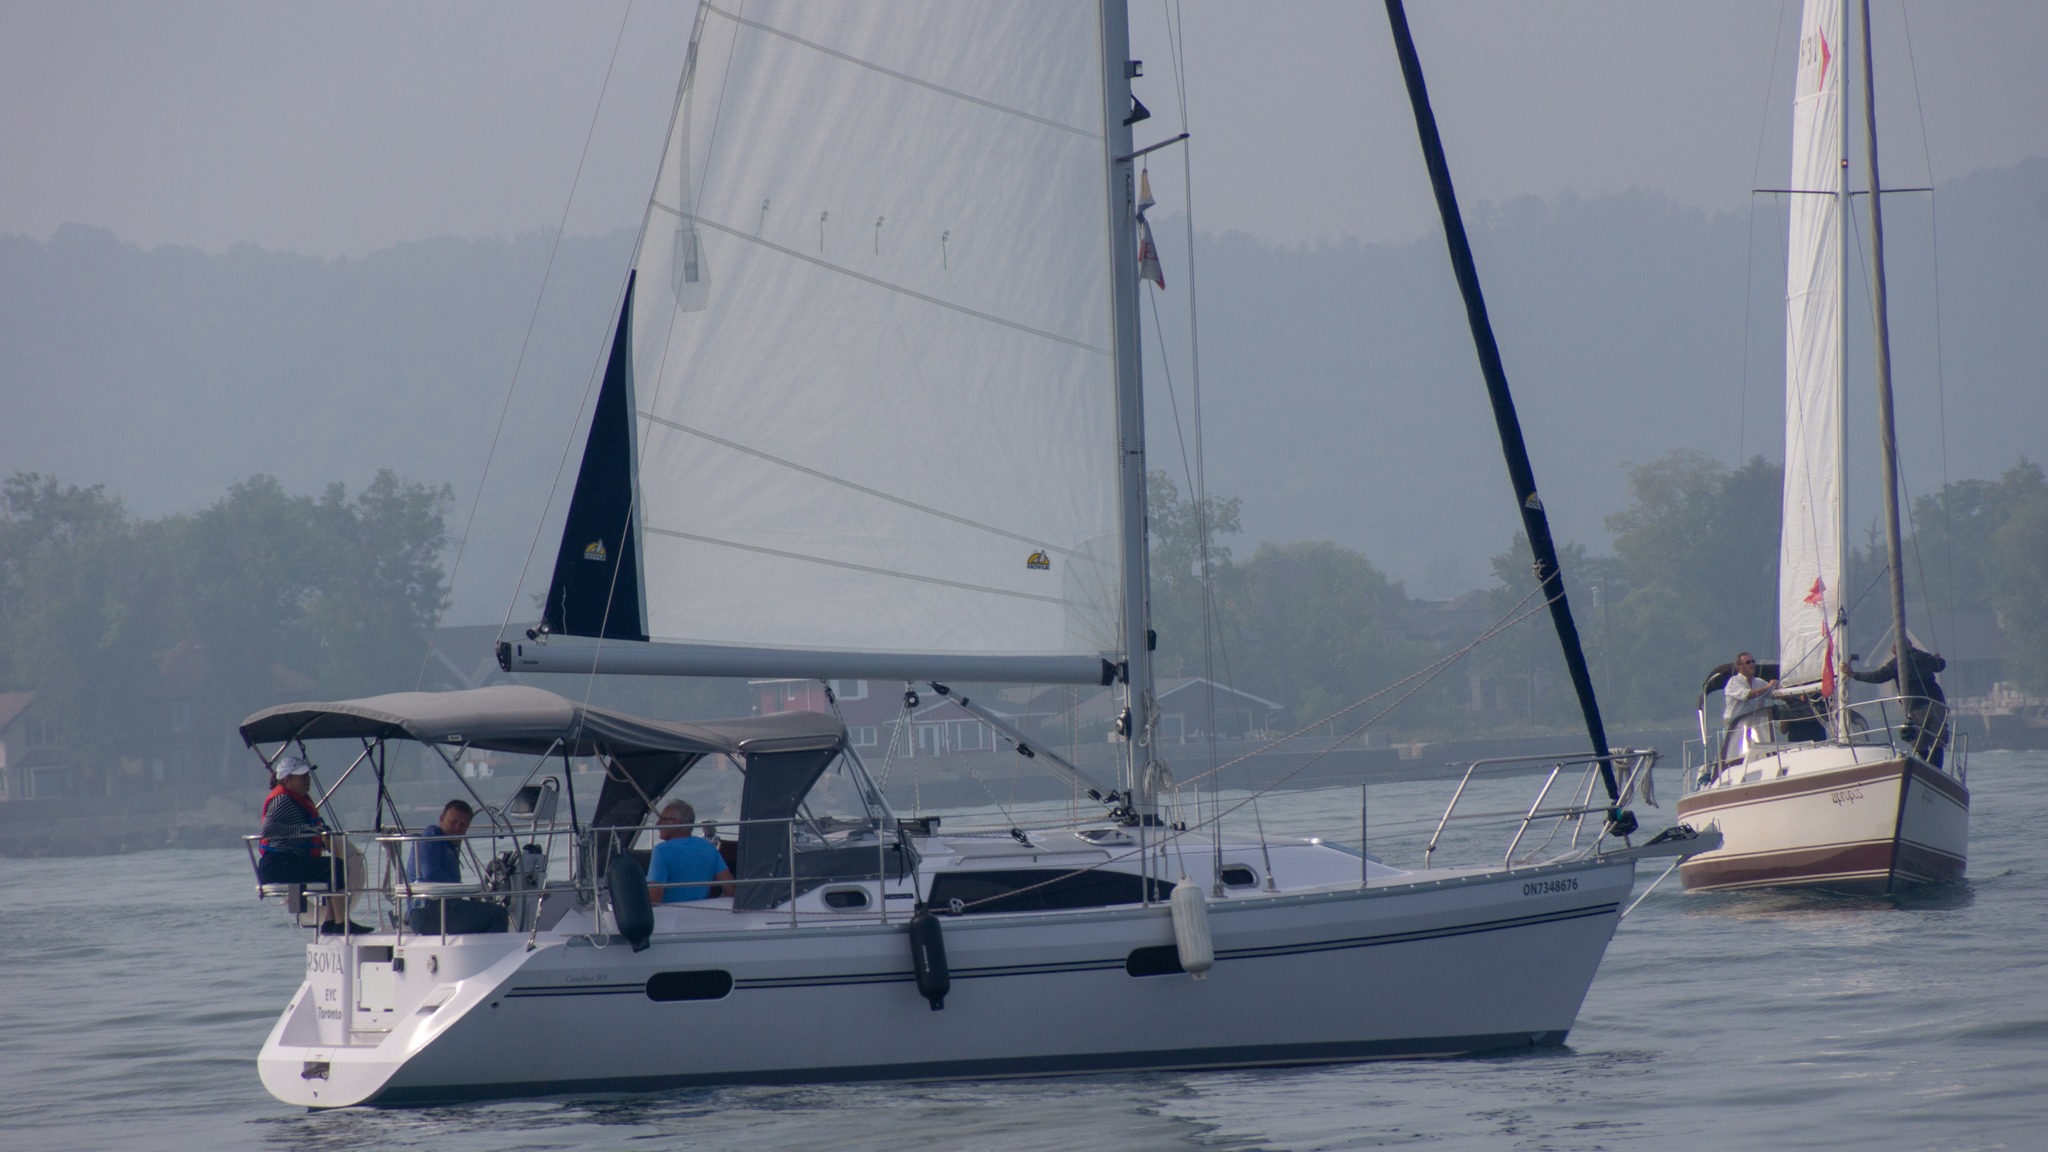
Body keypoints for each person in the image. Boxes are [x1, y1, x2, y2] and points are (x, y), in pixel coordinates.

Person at [257, 756, 368, 934]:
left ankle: (330, 922)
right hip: (278, 865)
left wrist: (318, 832)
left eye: (307, 775)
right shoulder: (282, 800)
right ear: (287, 779)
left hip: (286, 862)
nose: (307, 780)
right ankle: (341, 923)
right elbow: (268, 829)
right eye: (302, 776)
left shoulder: (295, 799)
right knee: (335, 868)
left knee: (333, 868)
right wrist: (303, 830)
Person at [406, 799, 508, 935]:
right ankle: (494, 949)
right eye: (453, 822)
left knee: (483, 911)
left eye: (462, 825)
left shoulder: (450, 845)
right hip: (428, 911)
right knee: (499, 914)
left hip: (439, 909)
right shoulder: (433, 834)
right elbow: (431, 874)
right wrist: (468, 892)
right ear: (442, 819)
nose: (457, 828)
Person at [1851, 646, 1950, 768]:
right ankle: (1935, 771)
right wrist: (1935, 659)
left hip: (1916, 707)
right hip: (1937, 704)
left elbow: (1878, 676)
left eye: (1893, 649)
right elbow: (1940, 665)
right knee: (1937, 742)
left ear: (1897, 649)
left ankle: (1926, 769)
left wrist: (1854, 675)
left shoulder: (1898, 663)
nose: (1892, 651)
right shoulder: (1924, 656)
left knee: (1919, 744)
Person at [647, 800, 734, 904]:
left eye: (662, 819)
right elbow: (731, 889)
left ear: (676, 823)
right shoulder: (708, 847)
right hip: (702, 912)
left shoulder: (661, 851)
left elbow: (654, 899)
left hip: (670, 912)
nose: (657, 824)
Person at [1720, 652, 1778, 764]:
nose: (1752, 664)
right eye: (1748, 662)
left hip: (1755, 727)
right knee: (1735, 759)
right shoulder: (1733, 682)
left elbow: (1772, 693)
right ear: (1739, 667)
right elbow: (1748, 695)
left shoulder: (1759, 682)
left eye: (1753, 661)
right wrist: (1769, 686)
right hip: (1735, 728)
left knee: (1759, 757)